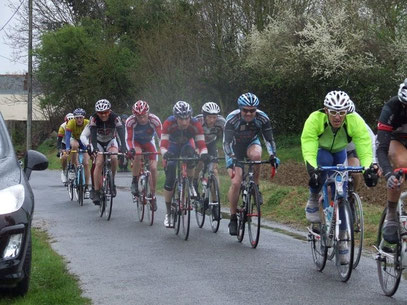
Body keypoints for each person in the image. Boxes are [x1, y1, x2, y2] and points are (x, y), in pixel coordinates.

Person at [301, 90, 377, 264]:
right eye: (333, 112)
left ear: (347, 112)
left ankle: (342, 240)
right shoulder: (315, 119)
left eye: (342, 112)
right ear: (326, 110)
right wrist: (313, 170)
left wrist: (368, 168)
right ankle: (313, 198)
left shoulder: (355, 121)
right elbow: (308, 144)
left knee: (340, 187)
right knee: (321, 171)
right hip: (322, 150)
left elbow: (365, 145)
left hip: (341, 151)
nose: (338, 116)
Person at [223, 92, 279, 236]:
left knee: (257, 156)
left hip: (251, 143)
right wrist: (232, 157)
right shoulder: (232, 119)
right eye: (245, 110)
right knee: (236, 182)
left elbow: (269, 140)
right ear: (240, 109)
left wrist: (273, 155)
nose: (249, 113)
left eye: (252, 111)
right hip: (234, 148)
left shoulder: (262, 118)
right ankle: (233, 218)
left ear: (256, 110)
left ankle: (256, 186)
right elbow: (226, 143)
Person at [160, 101, 208, 227]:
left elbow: (202, 145)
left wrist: (204, 153)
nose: (185, 122)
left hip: (187, 144)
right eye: (181, 119)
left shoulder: (195, 124)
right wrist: (166, 154)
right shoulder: (168, 123)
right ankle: (169, 213)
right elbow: (163, 145)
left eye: (187, 118)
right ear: (176, 117)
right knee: (170, 173)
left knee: (191, 155)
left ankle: (191, 183)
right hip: (172, 146)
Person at [377, 78, 407, 243]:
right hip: (394, 141)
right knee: (402, 164)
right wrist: (389, 174)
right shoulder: (391, 107)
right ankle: (391, 213)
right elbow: (381, 148)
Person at [125, 100, 162, 211]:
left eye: (144, 116)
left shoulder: (154, 120)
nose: (141, 119)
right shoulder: (130, 121)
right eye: (139, 116)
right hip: (135, 142)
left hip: (148, 142)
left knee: (154, 168)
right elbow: (128, 139)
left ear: (148, 113)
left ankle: (153, 195)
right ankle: (135, 181)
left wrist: (164, 150)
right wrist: (130, 150)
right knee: (137, 154)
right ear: (134, 115)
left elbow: (161, 138)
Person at [89, 99, 127, 205]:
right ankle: (96, 191)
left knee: (114, 157)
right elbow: (92, 135)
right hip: (99, 142)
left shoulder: (115, 117)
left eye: (106, 112)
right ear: (97, 113)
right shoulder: (94, 119)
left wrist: (123, 146)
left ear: (109, 111)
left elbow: (121, 131)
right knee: (99, 163)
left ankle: (112, 182)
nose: (103, 115)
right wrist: (95, 148)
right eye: (101, 113)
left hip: (111, 141)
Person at [193, 102, 226, 193]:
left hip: (211, 143)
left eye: (214, 117)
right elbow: (190, 135)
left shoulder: (221, 122)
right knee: (200, 163)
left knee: (214, 170)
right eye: (209, 117)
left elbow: (227, 137)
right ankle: (195, 181)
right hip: (197, 143)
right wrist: (195, 148)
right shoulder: (197, 120)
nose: (212, 120)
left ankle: (216, 198)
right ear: (204, 116)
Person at [346, 100, 379, 190]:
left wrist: (373, 161)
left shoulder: (358, 120)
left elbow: (371, 140)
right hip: (333, 150)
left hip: (350, 149)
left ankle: (352, 196)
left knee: (355, 173)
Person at [65, 108, 91, 198]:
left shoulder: (88, 123)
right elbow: (67, 137)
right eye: (77, 118)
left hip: (84, 141)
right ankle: (73, 167)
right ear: (74, 118)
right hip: (74, 139)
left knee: (86, 163)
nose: (79, 120)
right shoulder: (71, 123)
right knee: (74, 146)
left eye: (80, 117)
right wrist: (68, 147)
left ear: (83, 118)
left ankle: (87, 187)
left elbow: (91, 136)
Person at [57, 112, 74, 184]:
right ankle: (64, 171)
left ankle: (74, 169)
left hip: (74, 142)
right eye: (68, 122)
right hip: (64, 143)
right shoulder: (62, 126)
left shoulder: (76, 125)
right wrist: (59, 149)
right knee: (64, 157)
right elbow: (59, 139)